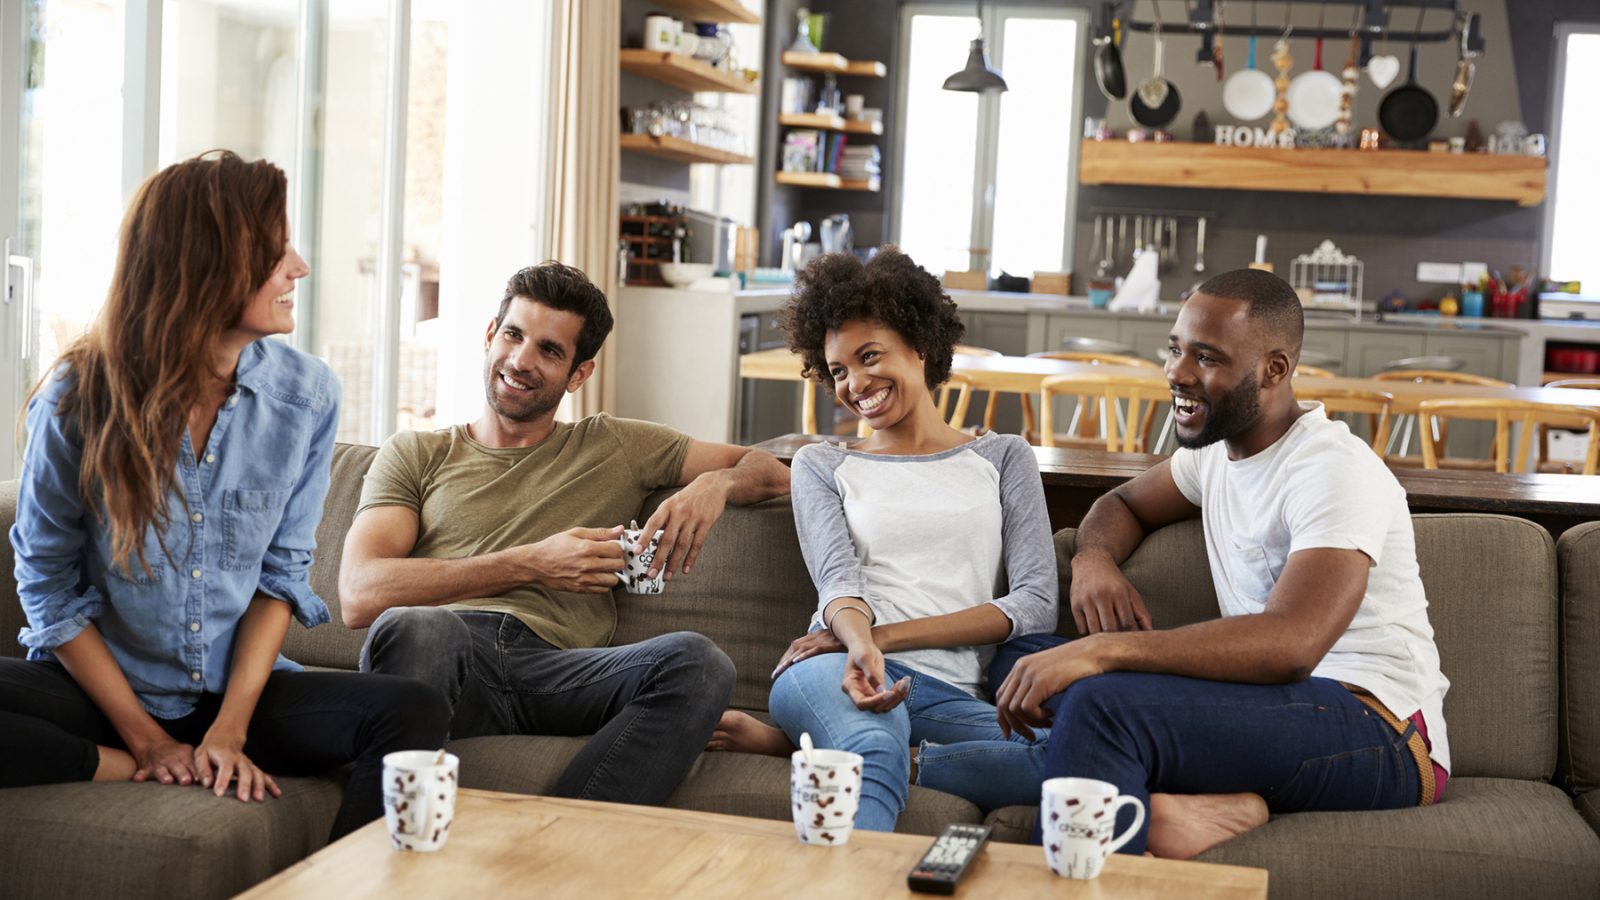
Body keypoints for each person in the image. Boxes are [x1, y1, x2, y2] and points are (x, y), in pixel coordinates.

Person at [2, 151, 449, 841]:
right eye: (276, 253)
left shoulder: (306, 395)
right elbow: (48, 589)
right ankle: (114, 764)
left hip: (234, 695)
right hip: (105, 697)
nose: (298, 267)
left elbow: (279, 578)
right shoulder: (76, 399)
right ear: (205, 267)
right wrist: (147, 744)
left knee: (412, 711)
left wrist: (230, 731)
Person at [994, 268, 1450, 858]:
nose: (1178, 374)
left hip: (1379, 729)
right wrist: (1094, 561)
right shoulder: (1216, 456)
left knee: (1098, 703)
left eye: (1206, 357)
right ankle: (1216, 802)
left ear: (1274, 370)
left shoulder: (1332, 469)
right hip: (1268, 710)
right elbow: (1122, 503)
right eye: (1176, 349)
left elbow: (1291, 645)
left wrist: (1102, 651)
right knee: (1019, 657)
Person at [341, 260, 791, 807]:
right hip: (447, 656)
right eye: (513, 335)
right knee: (426, 631)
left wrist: (715, 484)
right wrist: (531, 562)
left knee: (698, 664)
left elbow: (775, 469)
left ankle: (564, 841)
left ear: (579, 374)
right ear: (490, 335)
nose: (521, 360)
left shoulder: (615, 445)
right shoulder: (416, 453)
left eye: (550, 351)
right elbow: (360, 594)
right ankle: (374, 859)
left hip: (556, 671)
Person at [710, 249, 1059, 832]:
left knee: (1075, 756)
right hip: (836, 666)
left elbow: (1034, 602)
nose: (855, 384)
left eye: (869, 356)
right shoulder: (821, 465)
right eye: (838, 370)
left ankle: (794, 748)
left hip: (946, 689)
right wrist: (858, 645)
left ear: (920, 345)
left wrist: (885, 639)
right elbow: (838, 583)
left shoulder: (1002, 457)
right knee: (873, 747)